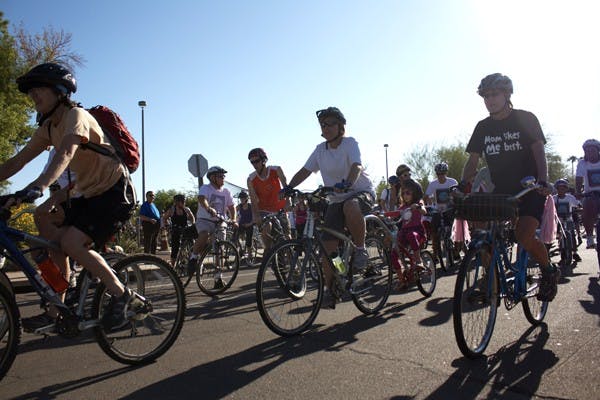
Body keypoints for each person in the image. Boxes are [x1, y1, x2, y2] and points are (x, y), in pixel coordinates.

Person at [1, 62, 136, 331]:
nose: (33, 96)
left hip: (113, 191)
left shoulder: (77, 116)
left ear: (60, 91)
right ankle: (58, 306)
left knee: (72, 243)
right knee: (44, 227)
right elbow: (17, 162)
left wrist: (39, 186)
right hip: (85, 193)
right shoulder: (49, 127)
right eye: (31, 92)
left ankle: (123, 296)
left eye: (39, 89)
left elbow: (65, 153)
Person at [460, 72, 559, 302]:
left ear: (507, 95)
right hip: (501, 192)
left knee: (523, 235)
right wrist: (464, 183)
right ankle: (491, 276)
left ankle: (548, 271)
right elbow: (472, 161)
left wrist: (543, 180)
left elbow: (539, 153)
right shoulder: (482, 127)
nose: (490, 100)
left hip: (530, 188)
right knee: (481, 231)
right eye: (486, 96)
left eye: (495, 94)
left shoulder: (525, 118)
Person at [284, 107, 374, 308]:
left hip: (359, 192)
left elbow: (356, 166)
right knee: (328, 251)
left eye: (330, 123)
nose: (326, 127)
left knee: (351, 204)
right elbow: (305, 171)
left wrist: (349, 182)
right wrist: (289, 187)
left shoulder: (350, 143)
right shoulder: (320, 150)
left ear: (340, 126)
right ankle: (335, 284)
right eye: (323, 124)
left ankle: (360, 250)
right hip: (336, 199)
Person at [188, 166, 237, 289]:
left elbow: (232, 207)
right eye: (220, 176)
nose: (223, 178)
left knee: (219, 249)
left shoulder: (226, 192)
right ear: (213, 177)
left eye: (223, 176)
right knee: (204, 234)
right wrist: (208, 208)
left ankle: (218, 278)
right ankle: (193, 257)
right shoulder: (206, 188)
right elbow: (201, 199)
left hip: (220, 222)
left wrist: (234, 219)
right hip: (205, 219)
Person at [247, 148, 291, 253]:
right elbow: (253, 200)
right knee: (267, 226)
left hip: (280, 208)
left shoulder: (276, 170)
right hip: (264, 210)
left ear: (263, 160)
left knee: (287, 237)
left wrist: (288, 201)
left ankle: (292, 261)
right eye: (252, 162)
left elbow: (286, 187)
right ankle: (268, 251)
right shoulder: (251, 179)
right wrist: (256, 215)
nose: (254, 164)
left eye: (256, 161)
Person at [394, 179, 427, 289]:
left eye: (408, 193)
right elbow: (394, 215)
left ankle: (419, 261)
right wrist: (381, 215)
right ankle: (401, 280)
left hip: (417, 231)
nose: (405, 195)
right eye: (403, 193)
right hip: (403, 233)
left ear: (414, 193)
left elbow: (424, 211)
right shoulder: (402, 207)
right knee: (393, 254)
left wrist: (418, 207)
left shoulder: (418, 202)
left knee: (411, 235)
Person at [575, 139, 600, 249]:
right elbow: (578, 179)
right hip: (590, 194)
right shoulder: (582, 163)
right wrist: (578, 192)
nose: (590, 153)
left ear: (598, 151)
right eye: (587, 151)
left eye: (592, 150)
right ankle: (590, 237)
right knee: (587, 209)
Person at [553, 179, 582, 263]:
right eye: (559, 188)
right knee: (559, 237)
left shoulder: (570, 197)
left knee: (572, 235)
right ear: (556, 189)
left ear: (566, 189)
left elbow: (577, 204)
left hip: (569, 220)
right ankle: (562, 254)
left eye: (563, 188)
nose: (561, 190)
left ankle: (575, 252)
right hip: (558, 221)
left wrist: (579, 206)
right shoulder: (554, 198)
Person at [162, 194, 195, 265]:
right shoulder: (172, 209)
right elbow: (164, 218)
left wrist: (193, 225)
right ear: (176, 202)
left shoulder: (186, 209)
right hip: (175, 229)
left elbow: (192, 217)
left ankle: (187, 260)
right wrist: (167, 225)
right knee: (175, 248)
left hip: (185, 229)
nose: (183, 203)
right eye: (182, 201)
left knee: (190, 244)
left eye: (184, 201)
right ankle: (172, 265)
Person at [235, 191, 255, 259]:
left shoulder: (251, 206)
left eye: (243, 198)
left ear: (246, 198)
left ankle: (250, 255)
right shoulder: (239, 207)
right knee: (236, 237)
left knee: (248, 240)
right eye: (240, 199)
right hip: (241, 224)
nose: (241, 200)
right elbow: (233, 213)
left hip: (249, 224)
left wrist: (250, 224)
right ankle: (241, 250)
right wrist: (234, 220)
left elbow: (254, 217)